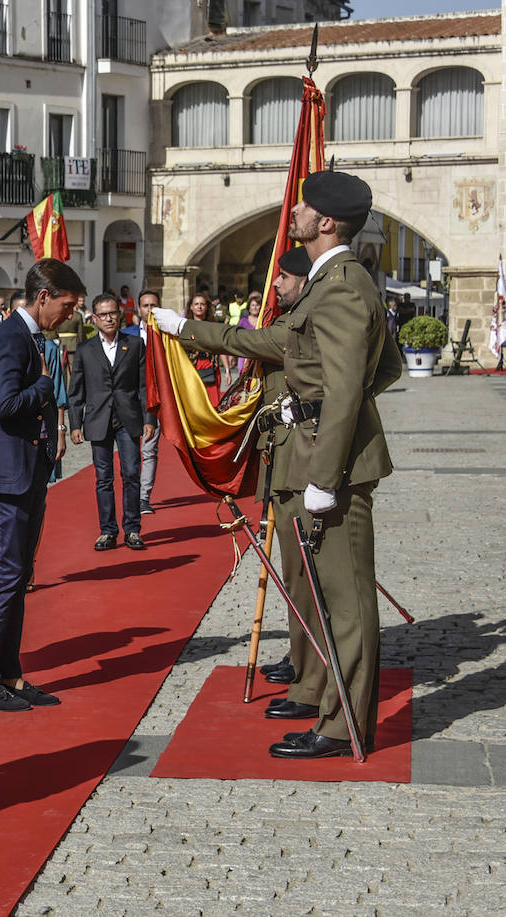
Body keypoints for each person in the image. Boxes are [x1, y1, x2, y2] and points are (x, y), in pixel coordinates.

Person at [154, 170, 402, 759]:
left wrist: (324, 466)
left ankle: (344, 727)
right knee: (323, 593)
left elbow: (347, 390)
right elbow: (378, 369)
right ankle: (327, 704)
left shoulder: (342, 286)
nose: (293, 211)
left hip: (328, 466)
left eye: (304, 206)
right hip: (320, 452)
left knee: (346, 601)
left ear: (327, 223)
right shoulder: (332, 283)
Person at [0, 258, 82, 711]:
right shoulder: (9, 337)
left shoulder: (27, 336)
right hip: (6, 474)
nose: (70, 314)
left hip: (26, 470)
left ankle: (8, 673)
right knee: (6, 574)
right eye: (67, 305)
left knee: (19, 574)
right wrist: (45, 389)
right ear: (44, 296)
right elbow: (8, 403)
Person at [68, 293, 154, 552]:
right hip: (98, 419)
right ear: (94, 318)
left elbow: (145, 385)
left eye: (113, 313)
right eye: (103, 314)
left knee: (130, 473)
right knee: (103, 477)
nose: (108, 318)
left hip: (128, 418)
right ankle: (107, 530)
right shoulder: (85, 350)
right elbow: (76, 391)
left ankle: (133, 529)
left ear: (120, 315)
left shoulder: (136, 344)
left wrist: (149, 418)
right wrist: (74, 424)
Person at [123, 290, 161, 514]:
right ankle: (131, 492)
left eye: (153, 305)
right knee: (130, 451)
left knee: (150, 450)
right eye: (145, 306)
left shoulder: (167, 337)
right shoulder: (126, 335)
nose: (149, 310)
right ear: (138, 308)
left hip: (154, 401)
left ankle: (143, 497)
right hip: (129, 401)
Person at [183, 293, 222, 406]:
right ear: (191, 306)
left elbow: (221, 347)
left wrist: (228, 369)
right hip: (191, 368)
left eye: (202, 304)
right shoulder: (184, 326)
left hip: (210, 367)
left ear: (206, 306)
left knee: (212, 403)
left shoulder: (213, 325)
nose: (199, 307)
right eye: (196, 304)